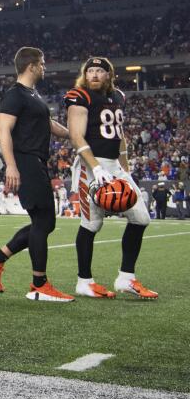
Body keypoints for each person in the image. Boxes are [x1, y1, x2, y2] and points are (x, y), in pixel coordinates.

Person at [0, 47, 72, 301]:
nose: (44, 67)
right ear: (31, 66)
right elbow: (3, 131)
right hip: (26, 161)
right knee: (43, 222)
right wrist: (11, 165)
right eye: (41, 63)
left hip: (37, 161)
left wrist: (74, 134)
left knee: (44, 222)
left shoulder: (32, 95)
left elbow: (48, 125)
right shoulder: (15, 95)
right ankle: (39, 284)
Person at [65, 57, 157, 299]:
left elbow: (120, 135)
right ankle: (84, 281)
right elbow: (76, 136)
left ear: (108, 75)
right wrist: (95, 168)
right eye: (90, 70)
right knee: (92, 224)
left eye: (99, 71)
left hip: (115, 165)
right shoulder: (79, 96)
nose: (94, 75)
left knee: (141, 218)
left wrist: (124, 168)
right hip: (90, 166)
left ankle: (126, 278)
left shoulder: (117, 96)